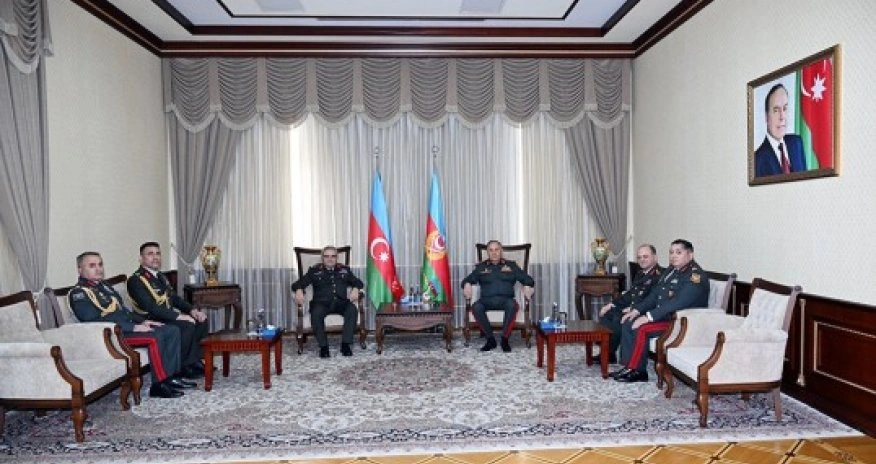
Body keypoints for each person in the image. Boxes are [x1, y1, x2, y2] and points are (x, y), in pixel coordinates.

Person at [69, 252, 195, 398]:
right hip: (110, 336)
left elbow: (124, 311)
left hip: (124, 328)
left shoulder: (104, 287)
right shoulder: (79, 294)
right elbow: (94, 321)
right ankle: (159, 385)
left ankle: (172, 378)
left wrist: (142, 321)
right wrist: (133, 327)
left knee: (171, 330)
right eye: (92, 266)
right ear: (80, 269)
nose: (98, 269)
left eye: (100, 264)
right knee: (155, 337)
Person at [613, 239, 710, 383]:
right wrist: (637, 310)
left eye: (678, 252)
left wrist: (648, 317)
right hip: (666, 317)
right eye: (671, 252)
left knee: (642, 328)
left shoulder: (695, 277)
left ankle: (638, 371)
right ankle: (629, 366)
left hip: (681, 322)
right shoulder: (672, 271)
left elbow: (677, 303)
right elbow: (655, 295)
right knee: (630, 320)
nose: (673, 256)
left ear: (690, 255)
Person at [127, 242, 209, 379]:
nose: (155, 257)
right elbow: (151, 307)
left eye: (158, 253)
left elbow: (174, 298)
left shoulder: (160, 276)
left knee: (201, 319)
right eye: (150, 254)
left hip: (165, 315)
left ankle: (193, 361)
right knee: (186, 325)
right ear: (141, 259)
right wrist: (178, 317)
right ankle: (182, 367)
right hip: (150, 319)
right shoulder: (136, 280)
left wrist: (192, 310)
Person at [461, 240, 535, 353]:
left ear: (501, 251)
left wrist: (527, 285)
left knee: (512, 305)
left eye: (496, 249)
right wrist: (467, 284)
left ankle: (504, 339)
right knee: (476, 307)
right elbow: (467, 280)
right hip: (486, 300)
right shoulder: (481, 267)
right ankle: (490, 339)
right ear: (487, 252)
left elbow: (528, 279)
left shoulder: (511, 265)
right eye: (491, 250)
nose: (494, 253)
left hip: (506, 300)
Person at [291, 246, 364, 359]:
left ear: (337, 258)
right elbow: (297, 284)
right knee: (316, 313)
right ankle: (323, 346)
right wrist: (299, 289)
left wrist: (355, 288)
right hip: (321, 303)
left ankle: (345, 345)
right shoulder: (314, 271)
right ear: (322, 258)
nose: (330, 259)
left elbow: (359, 282)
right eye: (327, 256)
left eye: (333, 256)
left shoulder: (344, 270)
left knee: (352, 309)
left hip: (341, 302)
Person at [596, 244, 663, 364]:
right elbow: (630, 294)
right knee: (608, 313)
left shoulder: (659, 276)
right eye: (639, 257)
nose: (642, 260)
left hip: (644, 312)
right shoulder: (640, 273)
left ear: (655, 257)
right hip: (633, 308)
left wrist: (633, 308)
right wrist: (612, 304)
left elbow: (652, 300)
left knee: (618, 319)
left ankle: (621, 360)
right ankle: (608, 353)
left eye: (645, 256)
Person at [754, 83, 807, 177]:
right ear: (766, 116)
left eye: (785, 108)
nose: (782, 117)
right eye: (776, 110)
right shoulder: (757, 160)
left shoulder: (797, 143)